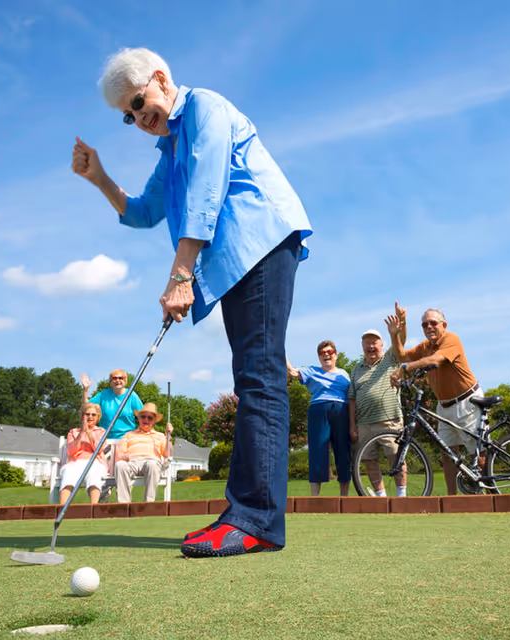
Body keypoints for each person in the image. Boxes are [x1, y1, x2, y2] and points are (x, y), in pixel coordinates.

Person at [72, 48, 311, 558]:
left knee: (260, 378)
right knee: (250, 379)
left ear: (159, 79)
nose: (139, 118)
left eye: (139, 102)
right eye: (128, 115)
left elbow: (208, 189)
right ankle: (243, 515)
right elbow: (143, 212)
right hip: (235, 262)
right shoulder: (169, 150)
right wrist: (99, 178)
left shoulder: (205, 108)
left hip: (261, 243)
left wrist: (181, 275)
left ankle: (257, 521)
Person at [387, 302, 484, 496]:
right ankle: (451, 500)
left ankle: (488, 496)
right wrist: (395, 334)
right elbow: (402, 356)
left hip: (467, 401)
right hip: (444, 405)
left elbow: (435, 360)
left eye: (433, 323)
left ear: (444, 325)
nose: (429, 327)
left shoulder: (451, 339)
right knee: (448, 454)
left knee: (477, 453)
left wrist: (406, 369)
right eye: (424, 325)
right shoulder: (425, 346)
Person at [287, 341, 351, 497]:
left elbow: (352, 396)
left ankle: (344, 497)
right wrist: (281, 351)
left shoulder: (344, 374)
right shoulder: (311, 371)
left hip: (341, 410)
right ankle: (314, 498)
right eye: (322, 353)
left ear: (335, 355)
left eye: (329, 352)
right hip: (318, 410)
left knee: (343, 451)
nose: (326, 355)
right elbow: (292, 372)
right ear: (319, 357)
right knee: (317, 451)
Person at [348, 328, 408, 497]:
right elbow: (351, 399)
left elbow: (400, 342)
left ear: (382, 345)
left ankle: (401, 496)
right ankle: (381, 498)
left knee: (395, 457)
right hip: (365, 423)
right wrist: (352, 425)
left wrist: (399, 327)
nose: (371, 346)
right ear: (362, 346)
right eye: (367, 343)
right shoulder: (356, 369)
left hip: (389, 421)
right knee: (368, 460)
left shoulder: (390, 359)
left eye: (374, 342)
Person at [115, 402, 173, 503]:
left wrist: (169, 437)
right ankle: (124, 505)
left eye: (149, 418)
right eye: (143, 417)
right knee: (120, 465)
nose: (146, 420)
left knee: (152, 464)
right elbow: (120, 453)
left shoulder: (159, 436)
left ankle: (148, 504)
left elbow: (167, 455)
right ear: (139, 418)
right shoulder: (129, 435)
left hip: (151, 462)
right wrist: (123, 456)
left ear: (154, 420)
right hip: (132, 462)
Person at [58, 403, 108, 505]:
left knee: (94, 474)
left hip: (95, 462)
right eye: (87, 414)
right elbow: (71, 451)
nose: (90, 417)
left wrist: (89, 433)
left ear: (98, 417)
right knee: (68, 472)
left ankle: (93, 508)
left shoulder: (101, 431)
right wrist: (81, 433)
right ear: (82, 416)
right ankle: (62, 508)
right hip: (75, 462)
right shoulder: (73, 432)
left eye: (93, 415)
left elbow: (98, 450)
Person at [80, 369, 144, 440]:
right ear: (110, 382)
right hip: (105, 439)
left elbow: (143, 416)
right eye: (114, 378)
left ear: (125, 381)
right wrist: (85, 389)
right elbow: (86, 407)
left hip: (128, 439)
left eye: (120, 378)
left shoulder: (132, 395)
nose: (117, 380)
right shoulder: (103, 395)